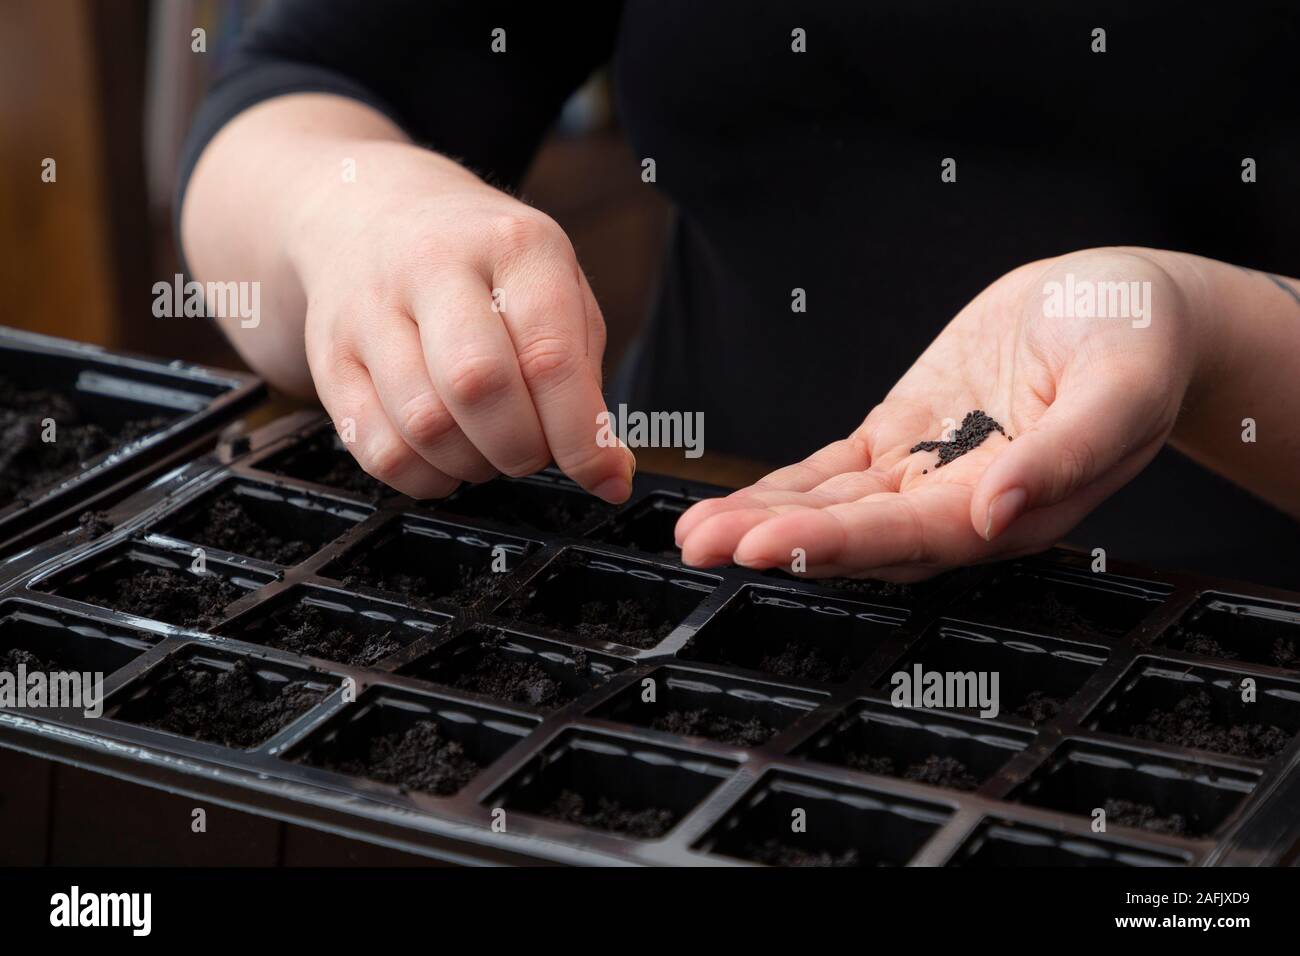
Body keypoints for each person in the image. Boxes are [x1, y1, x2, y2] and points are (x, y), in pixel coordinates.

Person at [179, 1, 1300, 586]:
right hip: (680, 552)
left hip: (1228, 640)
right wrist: (366, 217)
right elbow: (293, 94)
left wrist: (1204, 336)